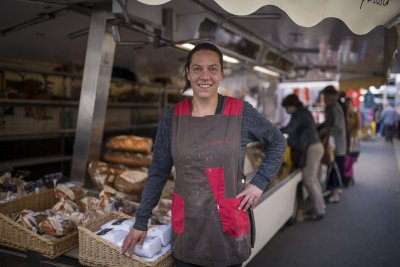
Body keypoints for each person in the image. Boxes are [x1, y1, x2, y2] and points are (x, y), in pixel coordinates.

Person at [121, 43, 286, 267]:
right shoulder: (173, 117)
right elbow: (158, 172)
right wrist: (141, 222)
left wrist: (260, 181)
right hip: (188, 226)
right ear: (188, 73)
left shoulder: (241, 112)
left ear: (221, 73)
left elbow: (277, 141)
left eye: (212, 69)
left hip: (227, 226)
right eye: (197, 68)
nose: (204, 76)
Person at [281, 94, 325, 220]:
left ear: (291, 105)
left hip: (312, 148)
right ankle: (319, 207)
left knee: (309, 180)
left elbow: (289, 129)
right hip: (316, 146)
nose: (286, 111)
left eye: (286, 107)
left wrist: (274, 131)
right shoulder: (304, 111)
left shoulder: (298, 113)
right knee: (313, 180)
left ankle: (319, 211)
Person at [319, 86, 347, 203]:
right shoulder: (332, 108)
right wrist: (321, 126)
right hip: (333, 144)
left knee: (335, 168)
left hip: (336, 145)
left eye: (325, 97)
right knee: (332, 168)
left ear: (330, 97)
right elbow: (329, 123)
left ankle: (335, 194)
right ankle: (332, 191)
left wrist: (324, 130)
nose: (323, 99)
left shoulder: (335, 108)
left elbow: (338, 127)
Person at [344, 97, 361, 186]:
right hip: (344, 140)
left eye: (350, 104)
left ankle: (349, 177)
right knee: (346, 160)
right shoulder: (343, 114)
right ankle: (348, 177)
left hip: (352, 140)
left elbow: (358, 127)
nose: (348, 106)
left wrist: (351, 135)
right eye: (347, 104)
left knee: (350, 159)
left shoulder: (355, 114)